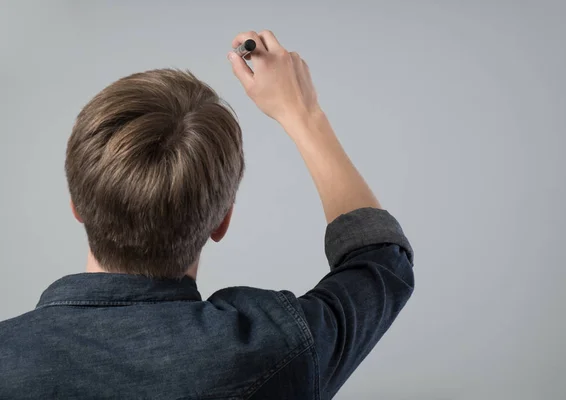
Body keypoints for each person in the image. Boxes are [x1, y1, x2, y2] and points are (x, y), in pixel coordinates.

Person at [0, 30, 414, 399]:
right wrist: (303, 116)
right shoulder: (274, 348)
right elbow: (380, 262)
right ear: (223, 220)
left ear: (76, 206)